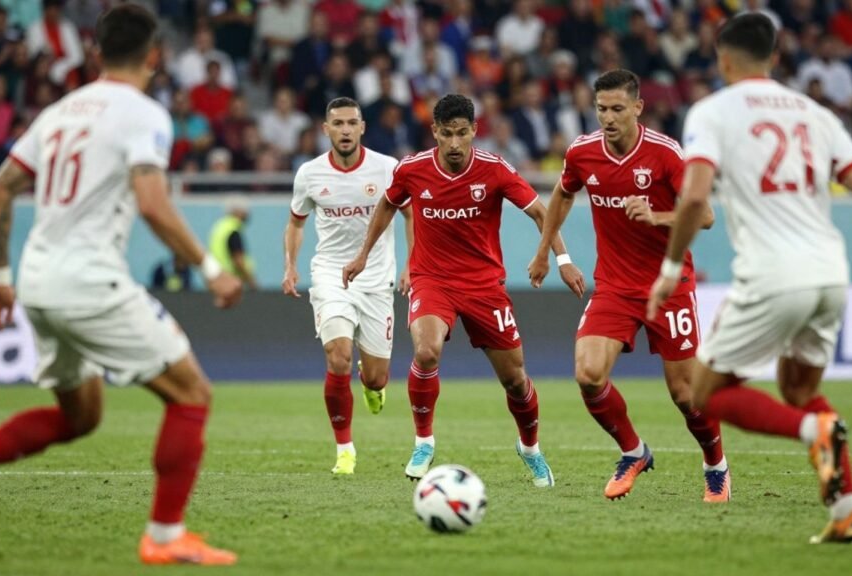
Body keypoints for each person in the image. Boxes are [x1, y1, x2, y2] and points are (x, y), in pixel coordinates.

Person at [0, 5, 243, 565]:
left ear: (95, 53)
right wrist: (210, 266)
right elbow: (152, 203)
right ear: (154, 56)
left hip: (38, 281)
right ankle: (165, 537)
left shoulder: (60, 111)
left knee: (81, 416)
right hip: (89, 281)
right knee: (193, 395)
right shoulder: (144, 114)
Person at [646, 13, 852, 544]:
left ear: (723, 58)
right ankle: (847, 512)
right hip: (831, 276)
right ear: (773, 56)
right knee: (798, 387)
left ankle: (812, 433)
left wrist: (670, 268)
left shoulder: (713, 110)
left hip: (771, 275)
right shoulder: (816, 113)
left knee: (704, 393)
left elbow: (694, 196)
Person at [343, 94, 586, 487]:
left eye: (462, 134)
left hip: (484, 286)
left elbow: (542, 213)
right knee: (426, 349)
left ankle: (530, 448)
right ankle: (424, 441)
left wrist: (560, 258)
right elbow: (387, 205)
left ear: (474, 131)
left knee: (515, 379)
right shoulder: (412, 170)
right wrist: (362, 256)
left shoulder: (494, 170)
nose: (454, 143)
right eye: (446, 134)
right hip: (432, 279)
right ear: (434, 132)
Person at [528, 69, 729, 503]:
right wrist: (548, 252)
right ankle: (633, 452)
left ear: (638, 107)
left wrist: (657, 216)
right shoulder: (582, 152)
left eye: (618, 108)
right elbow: (563, 194)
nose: (608, 117)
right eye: (601, 109)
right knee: (587, 374)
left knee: (686, 395)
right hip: (615, 286)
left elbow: (707, 217)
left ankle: (715, 464)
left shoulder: (666, 154)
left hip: (668, 285)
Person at [283, 97, 413, 475]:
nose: (344, 130)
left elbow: (411, 215)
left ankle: (372, 384)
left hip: (376, 281)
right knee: (337, 355)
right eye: (336, 123)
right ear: (326, 130)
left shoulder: (387, 168)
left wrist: (411, 263)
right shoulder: (309, 173)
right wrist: (291, 266)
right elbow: (295, 223)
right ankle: (345, 450)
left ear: (362, 128)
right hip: (330, 276)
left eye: (350, 123)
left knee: (376, 376)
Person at [209, 197, 260, 291]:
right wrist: (252, 281)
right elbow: (238, 260)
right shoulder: (232, 230)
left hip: (217, 280)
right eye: (245, 211)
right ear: (237, 211)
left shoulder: (220, 227)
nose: (247, 214)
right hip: (232, 283)